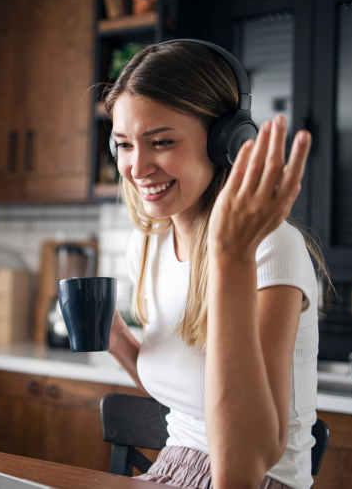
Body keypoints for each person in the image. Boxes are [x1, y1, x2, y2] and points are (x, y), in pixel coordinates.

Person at [104, 41, 327, 489]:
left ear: (229, 141)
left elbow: (241, 469)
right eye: (124, 145)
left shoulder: (270, 247)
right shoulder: (148, 244)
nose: (137, 167)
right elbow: (191, 394)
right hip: (172, 466)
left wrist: (229, 257)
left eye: (161, 142)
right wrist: (117, 340)